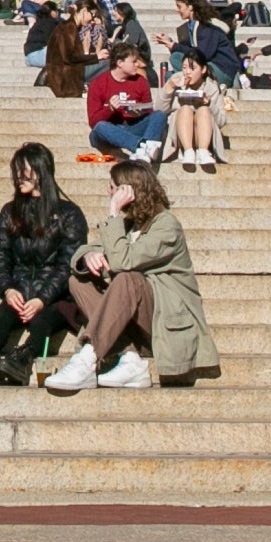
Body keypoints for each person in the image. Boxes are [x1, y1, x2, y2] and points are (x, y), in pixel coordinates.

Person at [52, 160, 211, 390]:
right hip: (137, 322)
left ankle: (88, 357)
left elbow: (123, 261)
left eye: (113, 187)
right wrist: (88, 256)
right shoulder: (129, 226)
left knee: (128, 279)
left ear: (129, 190)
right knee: (80, 281)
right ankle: (129, 356)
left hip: (164, 324)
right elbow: (86, 251)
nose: (109, 193)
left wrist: (113, 212)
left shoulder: (167, 226)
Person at [0, 151, 87, 386]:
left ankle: (23, 358)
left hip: (56, 297)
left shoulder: (69, 214)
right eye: (16, 171)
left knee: (44, 319)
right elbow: (0, 256)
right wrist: (8, 289)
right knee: (3, 313)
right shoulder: (10, 212)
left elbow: (67, 264)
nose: (18, 177)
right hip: (19, 291)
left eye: (25, 171)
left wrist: (42, 299)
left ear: (42, 171)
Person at [84, 48, 163, 161]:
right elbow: (93, 122)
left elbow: (149, 110)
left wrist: (139, 112)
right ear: (120, 63)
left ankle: (144, 153)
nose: (138, 64)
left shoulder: (140, 81)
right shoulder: (98, 83)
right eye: (134, 61)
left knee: (159, 115)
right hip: (110, 130)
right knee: (100, 127)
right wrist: (109, 109)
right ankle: (141, 147)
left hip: (133, 126)